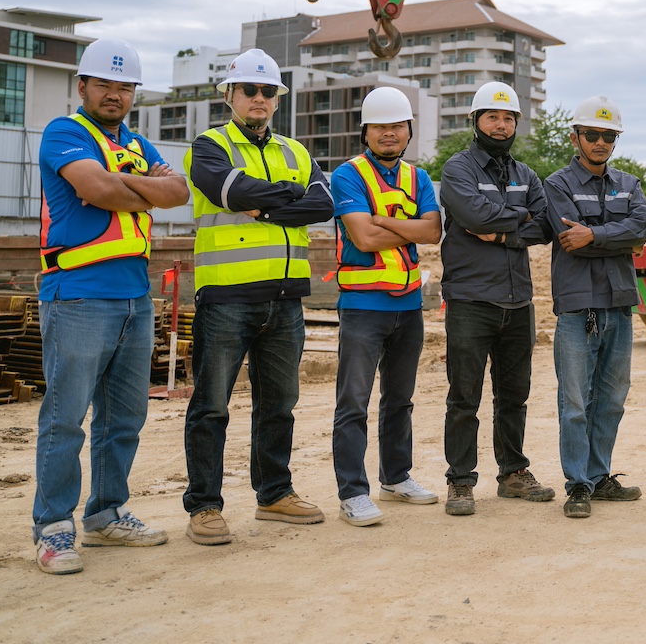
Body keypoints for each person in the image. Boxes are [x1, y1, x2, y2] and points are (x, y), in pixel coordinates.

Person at [32, 38, 190, 575]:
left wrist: (122, 186)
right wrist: (140, 188)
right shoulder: (65, 133)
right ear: (83, 86)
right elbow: (97, 188)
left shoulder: (138, 141)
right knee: (66, 418)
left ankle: (107, 512)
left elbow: (180, 193)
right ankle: (54, 530)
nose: (115, 94)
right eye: (105, 84)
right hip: (77, 294)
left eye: (125, 87)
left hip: (134, 297)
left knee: (124, 417)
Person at [182, 48, 335, 545]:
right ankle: (204, 506)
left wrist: (264, 205)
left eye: (268, 91)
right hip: (227, 298)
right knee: (211, 406)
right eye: (249, 89)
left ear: (277, 100)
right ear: (229, 94)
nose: (259, 98)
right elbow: (228, 190)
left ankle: (274, 494)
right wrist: (285, 199)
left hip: (286, 299)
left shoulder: (295, 151)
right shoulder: (208, 146)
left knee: (280, 404)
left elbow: (324, 201)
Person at [437, 81, 554, 516]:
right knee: (463, 396)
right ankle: (461, 481)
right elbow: (472, 215)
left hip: (518, 300)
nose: (501, 125)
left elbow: (544, 226)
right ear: (476, 121)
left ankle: (513, 473)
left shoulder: (526, 175)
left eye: (508, 118)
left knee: (514, 395)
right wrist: (519, 219)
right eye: (492, 117)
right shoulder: (458, 169)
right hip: (471, 300)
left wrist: (504, 228)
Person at [330, 87, 443, 527]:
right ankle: (352, 492)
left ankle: (395, 477)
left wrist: (384, 221)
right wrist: (408, 227)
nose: (389, 133)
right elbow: (364, 238)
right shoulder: (347, 175)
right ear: (366, 132)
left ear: (409, 131)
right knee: (353, 403)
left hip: (408, 305)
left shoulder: (419, 178)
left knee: (400, 399)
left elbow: (433, 232)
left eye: (397, 126)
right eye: (380, 126)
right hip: (362, 307)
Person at [542, 95, 646, 518]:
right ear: (576, 137)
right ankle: (578, 485)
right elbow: (570, 240)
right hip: (577, 308)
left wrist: (596, 236)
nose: (601, 142)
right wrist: (615, 238)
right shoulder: (557, 185)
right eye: (593, 134)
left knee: (611, 399)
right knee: (574, 401)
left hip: (619, 304)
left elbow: (642, 227)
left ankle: (600, 475)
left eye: (609, 136)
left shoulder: (629, 184)